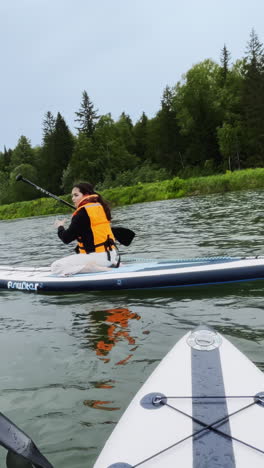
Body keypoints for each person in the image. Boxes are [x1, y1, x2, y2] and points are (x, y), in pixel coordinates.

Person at [51, 182, 119, 276]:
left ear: (86, 195)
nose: (73, 198)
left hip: (97, 258)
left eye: (76, 195)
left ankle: (91, 268)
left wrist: (60, 226)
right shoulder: (101, 207)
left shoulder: (81, 214)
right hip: (111, 255)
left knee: (56, 267)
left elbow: (66, 238)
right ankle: (110, 263)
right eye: (72, 196)